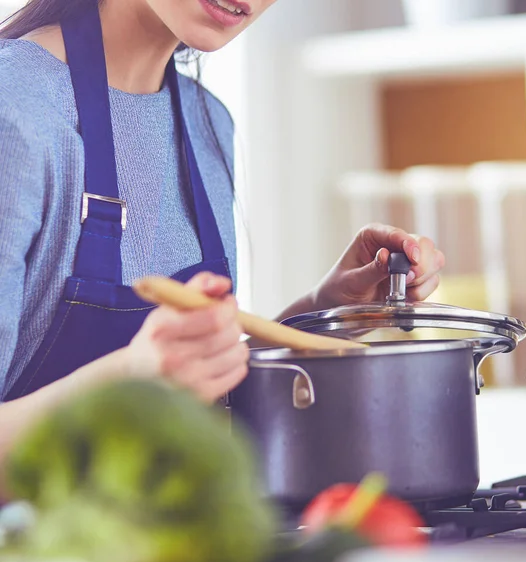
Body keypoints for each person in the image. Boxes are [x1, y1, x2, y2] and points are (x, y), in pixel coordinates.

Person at [0, 0, 444, 460]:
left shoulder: (205, 120)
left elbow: (207, 393)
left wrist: (329, 309)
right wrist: (127, 385)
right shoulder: (14, 106)